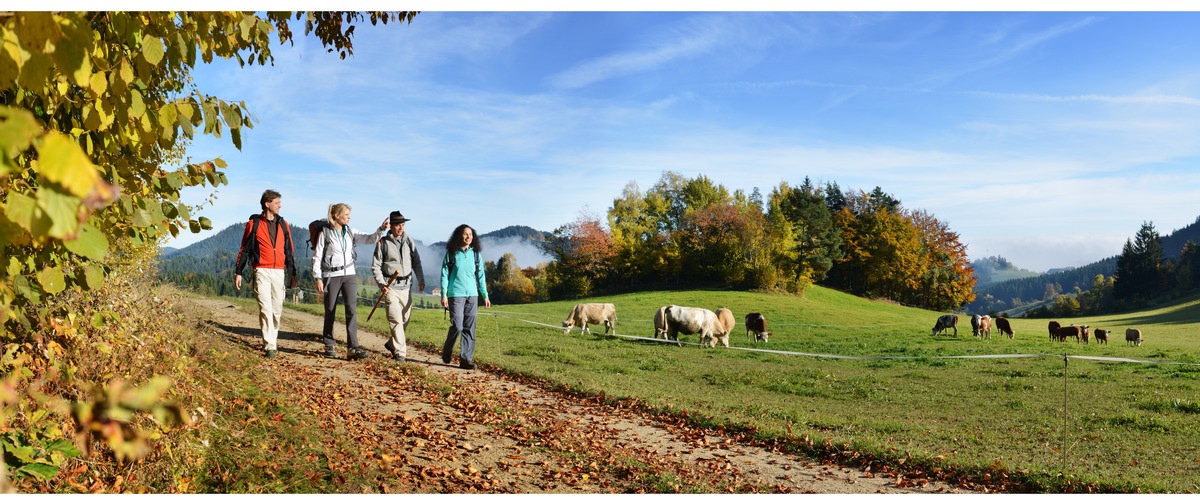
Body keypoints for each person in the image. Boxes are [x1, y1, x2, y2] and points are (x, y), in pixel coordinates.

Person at [313, 203, 387, 360]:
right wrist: (318, 277)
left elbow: (369, 239)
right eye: (346, 214)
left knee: (351, 310)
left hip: (350, 275)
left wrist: (381, 229)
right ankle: (329, 343)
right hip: (331, 275)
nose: (349, 217)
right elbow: (317, 256)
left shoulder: (350, 231)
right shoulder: (325, 233)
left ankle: (353, 348)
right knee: (330, 310)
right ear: (336, 216)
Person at [234, 189, 298, 359]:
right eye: (277, 203)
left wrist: (292, 274)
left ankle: (273, 338)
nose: (280, 206)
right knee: (265, 307)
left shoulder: (284, 225)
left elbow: (289, 251)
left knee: (277, 308)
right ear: (267, 204)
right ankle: (270, 344)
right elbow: (245, 249)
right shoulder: (253, 224)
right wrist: (238, 271)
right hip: (261, 269)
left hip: (278, 271)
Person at [370, 211, 425, 363]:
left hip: (406, 288)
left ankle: (391, 344)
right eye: (398, 225)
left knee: (405, 320)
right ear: (392, 226)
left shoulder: (409, 241)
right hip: (390, 288)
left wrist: (421, 280)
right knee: (395, 320)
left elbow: (417, 262)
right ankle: (400, 353)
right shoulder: (382, 243)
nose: (401, 228)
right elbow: (375, 266)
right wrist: (382, 284)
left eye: (403, 225)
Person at [439, 224, 491, 370]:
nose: (468, 237)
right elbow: (444, 274)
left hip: (472, 295)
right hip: (455, 294)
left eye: (470, 234)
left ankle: (465, 359)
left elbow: (481, 276)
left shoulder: (476, 255)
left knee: (469, 328)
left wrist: (484, 296)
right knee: (457, 325)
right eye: (465, 234)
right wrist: (443, 294)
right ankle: (447, 351)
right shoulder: (451, 253)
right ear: (459, 236)